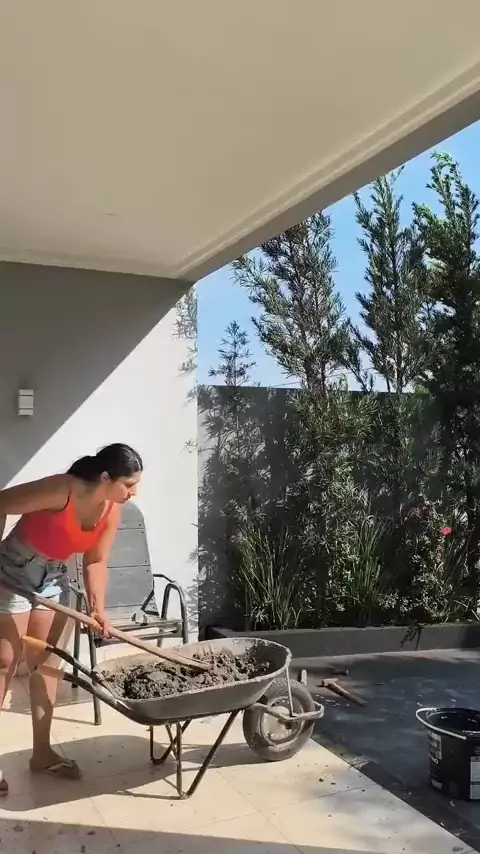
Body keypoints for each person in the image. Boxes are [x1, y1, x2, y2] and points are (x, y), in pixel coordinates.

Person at [0, 442, 143, 796]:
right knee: (3, 663)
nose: (134, 492)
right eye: (129, 484)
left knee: (46, 665)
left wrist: (97, 609)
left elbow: (96, 560)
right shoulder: (61, 489)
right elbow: (2, 502)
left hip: (52, 578)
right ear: (106, 478)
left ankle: (42, 754)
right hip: (11, 570)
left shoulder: (111, 511)